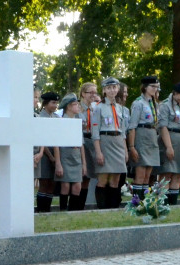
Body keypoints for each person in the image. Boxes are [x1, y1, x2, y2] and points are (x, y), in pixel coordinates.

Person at [91, 77, 129, 209]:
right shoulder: (98, 108)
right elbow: (95, 132)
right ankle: (102, 208)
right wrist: (98, 152)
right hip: (105, 142)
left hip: (118, 142)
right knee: (103, 178)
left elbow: (123, 132)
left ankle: (113, 208)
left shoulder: (121, 109)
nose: (112, 90)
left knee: (116, 179)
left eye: (114, 87)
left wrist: (125, 150)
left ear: (118, 89)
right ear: (104, 91)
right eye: (109, 88)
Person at [157, 82, 180, 204]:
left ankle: (173, 203)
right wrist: (168, 147)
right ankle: (162, 203)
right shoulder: (165, 105)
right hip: (171, 138)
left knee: (178, 173)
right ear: (175, 93)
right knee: (166, 173)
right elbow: (163, 127)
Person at [127, 76, 161, 201]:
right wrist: (132, 147)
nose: (155, 89)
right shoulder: (138, 103)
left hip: (152, 138)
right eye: (152, 86)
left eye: (157, 87)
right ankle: (136, 202)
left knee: (148, 175)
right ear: (145, 87)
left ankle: (146, 202)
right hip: (141, 137)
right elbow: (132, 127)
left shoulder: (155, 104)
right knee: (140, 174)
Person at [55, 93, 86, 210]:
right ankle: (63, 211)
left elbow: (81, 144)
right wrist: (58, 163)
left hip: (76, 157)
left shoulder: (78, 121)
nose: (78, 106)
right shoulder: (61, 122)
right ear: (68, 106)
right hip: (65, 157)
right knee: (65, 186)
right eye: (75, 104)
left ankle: (73, 211)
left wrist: (84, 163)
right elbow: (56, 145)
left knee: (77, 186)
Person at [35, 91, 61, 213]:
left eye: (56, 103)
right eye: (53, 103)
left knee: (52, 183)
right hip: (45, 154)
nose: (55, 105)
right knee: (44, 182)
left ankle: (48, 209)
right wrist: (50, 156)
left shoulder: (56, 117)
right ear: (45, 104)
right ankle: (41, 209)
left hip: (56, 153)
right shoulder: (40, 117)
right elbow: (41, 139)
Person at [74, 81, 99, 210]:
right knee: (82, 176)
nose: (93, 95)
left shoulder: (96, 108)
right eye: (91, 93)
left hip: (92, 142)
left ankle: (83, 205)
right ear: (83, 94)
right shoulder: (78, 108)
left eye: (95, 92)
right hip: (82, 142)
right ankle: (77, 206)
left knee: (89, 177)